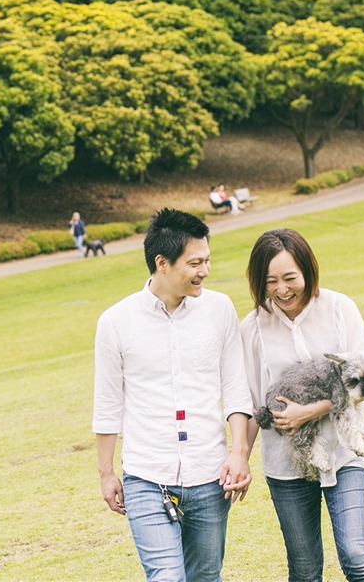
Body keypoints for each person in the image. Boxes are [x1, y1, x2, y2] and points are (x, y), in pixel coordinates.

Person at [93, 208, 254, 582]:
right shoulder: (115, 321)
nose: (205, 271)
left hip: (210, 475)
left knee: (205, 577)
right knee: (166, 576)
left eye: (207, 260)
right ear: (161, 263)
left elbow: (235, 387)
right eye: (195, 262)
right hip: (147, 476)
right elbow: (107, 403)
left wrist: (238, 452)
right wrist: (106, 473)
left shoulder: (220, 309)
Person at [239, 228, 364, 582]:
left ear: (307, 270)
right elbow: (251, 403)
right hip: (286, 463)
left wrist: (311, 411)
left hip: (346, 452)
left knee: (357, 555)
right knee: (304, 569)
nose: (282, 290)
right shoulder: (252, 328)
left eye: (290, 278)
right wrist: (238, 457)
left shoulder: (339, 308)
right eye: (270, 281)